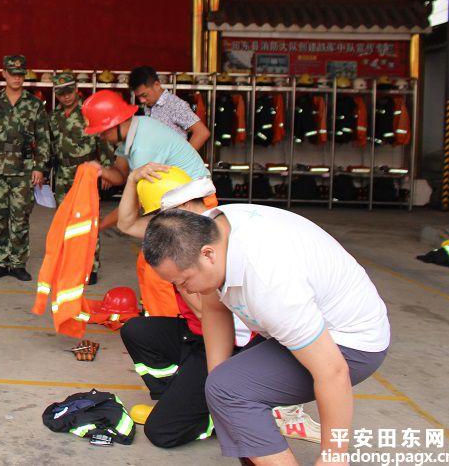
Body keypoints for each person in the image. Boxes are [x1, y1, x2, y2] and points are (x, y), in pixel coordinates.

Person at [143, 204, 390, 465]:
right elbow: (215, 307)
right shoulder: (209, 230)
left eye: (184, 281)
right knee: (224, 389)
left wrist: (334, 455)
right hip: (299, 326)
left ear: (208, 255)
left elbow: (333, 372)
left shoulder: (270, 283)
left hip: (351, 343)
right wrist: (216, 385)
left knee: (230, 390)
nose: (184, 289)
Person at [115, 164, 319, 450]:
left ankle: (228, 412)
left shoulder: (216, 242)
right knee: (137, 329)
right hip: (193, 334)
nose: (156, 224)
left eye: (159, 215)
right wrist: (133, 178)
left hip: (225, 344)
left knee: (162, 433)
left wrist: (179, 278)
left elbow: (205, 311)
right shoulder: (179, 231)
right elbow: (125, 224)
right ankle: (173, 396)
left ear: (184, 205)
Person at [83, 89, 209, 232]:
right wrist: (100, 170)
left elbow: (134, 205)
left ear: (116, 124)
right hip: (177, 203)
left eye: (102, 132)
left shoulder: (143, 146)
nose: (101, 137)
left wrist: (100, 225)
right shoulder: (137, 128)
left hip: (195, 205)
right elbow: (121, 174)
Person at [0, 54, 50, 281]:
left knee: (20, 218)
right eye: (13, 73)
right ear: (4, 73)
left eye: (21, 74)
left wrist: (40, 168)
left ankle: (18, 263)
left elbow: (43, 139)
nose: (17, 78)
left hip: (24, 169)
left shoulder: (34, 104)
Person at [47, 71, 115, 284]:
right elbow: (49, 146)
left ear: (76, 89)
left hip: (86, 173)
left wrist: (107, 170)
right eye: (61, 94)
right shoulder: (54, 116)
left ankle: (91, 267)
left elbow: (104, 141)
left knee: (87, 221)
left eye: (69, 92)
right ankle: (70, 265)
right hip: (62, 175)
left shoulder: (88, 113)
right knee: (65, 222)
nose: (66, 97)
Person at [130, 66, 209, 151]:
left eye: (144, 95)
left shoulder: (174, 104)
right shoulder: (149, 105)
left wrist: (183, 160)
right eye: (139, 97)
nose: (141, 100)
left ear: (157, 85)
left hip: (171, 163)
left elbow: (202, 132)